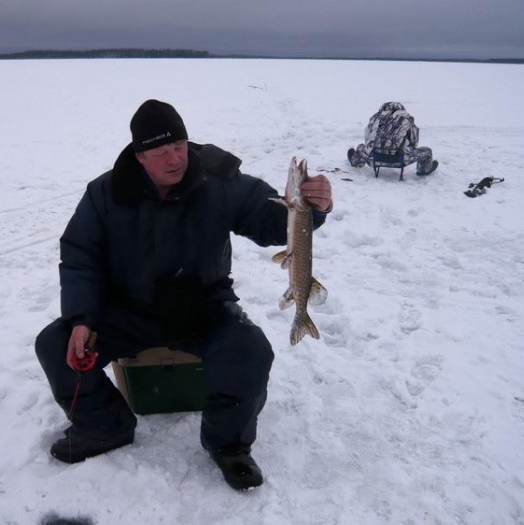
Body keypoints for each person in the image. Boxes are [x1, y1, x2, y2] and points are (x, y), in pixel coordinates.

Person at [35, 99, 333, 491]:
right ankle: (106, 426)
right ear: (140, 156)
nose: (175, 159)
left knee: (251, 352)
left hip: (204, 305)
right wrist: (81, 319)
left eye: (179, 146)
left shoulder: (218, 179)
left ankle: (229, 445)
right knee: (56, 346)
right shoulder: (105, 193)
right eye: (161, 152)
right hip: (129, 309)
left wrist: (314, 207)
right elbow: (79, 257)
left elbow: (273, 221)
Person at [347, 101, 439, 176]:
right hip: (400, 159)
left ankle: (355, 161)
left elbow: (367, 136)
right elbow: (414, 141)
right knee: (427, 151)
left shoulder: (375, 117)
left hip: (374, 159)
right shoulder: (407, 118)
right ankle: (423, 170)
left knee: (361, 147)